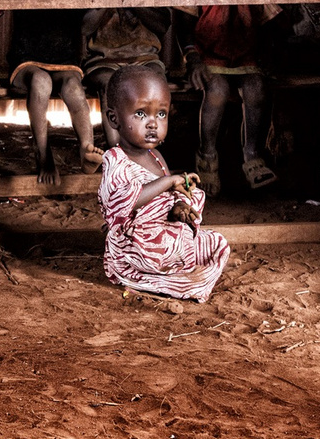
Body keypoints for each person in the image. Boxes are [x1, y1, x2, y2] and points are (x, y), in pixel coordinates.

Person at [97, 63, 229, 302]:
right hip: (135, 246)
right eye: (140, 113)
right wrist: (168, 181)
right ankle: (159, 277)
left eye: (161, 114)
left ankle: (175, 270)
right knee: (154, 257)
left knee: (217, 244)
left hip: (164, 235)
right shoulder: (115, 159)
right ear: (113, 118)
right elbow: (124, 202)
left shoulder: (156, 157)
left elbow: (168, 198)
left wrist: (180, 206)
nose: (152, 123)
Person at [175, 0, 279, 195]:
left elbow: (270, 25)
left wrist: (269, 56)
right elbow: (183, 26)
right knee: (218, 90)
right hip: (209, 61)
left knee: (257, 88)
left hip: (246, 61)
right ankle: (207, 157)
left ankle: (253, 157)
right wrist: (192, 59)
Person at [2, 0, 94, 184]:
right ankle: (42, 153)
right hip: (26, 62)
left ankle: (87, 150)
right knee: (41, 82)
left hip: (64, 61)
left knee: (74, 90)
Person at [81, 0, 168, 149]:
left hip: (144, 59)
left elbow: (162, 26)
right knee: (110, 86)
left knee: (155, 83)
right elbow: (85, 28)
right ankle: (117, 151)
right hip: (103, 61)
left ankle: (149, 146)